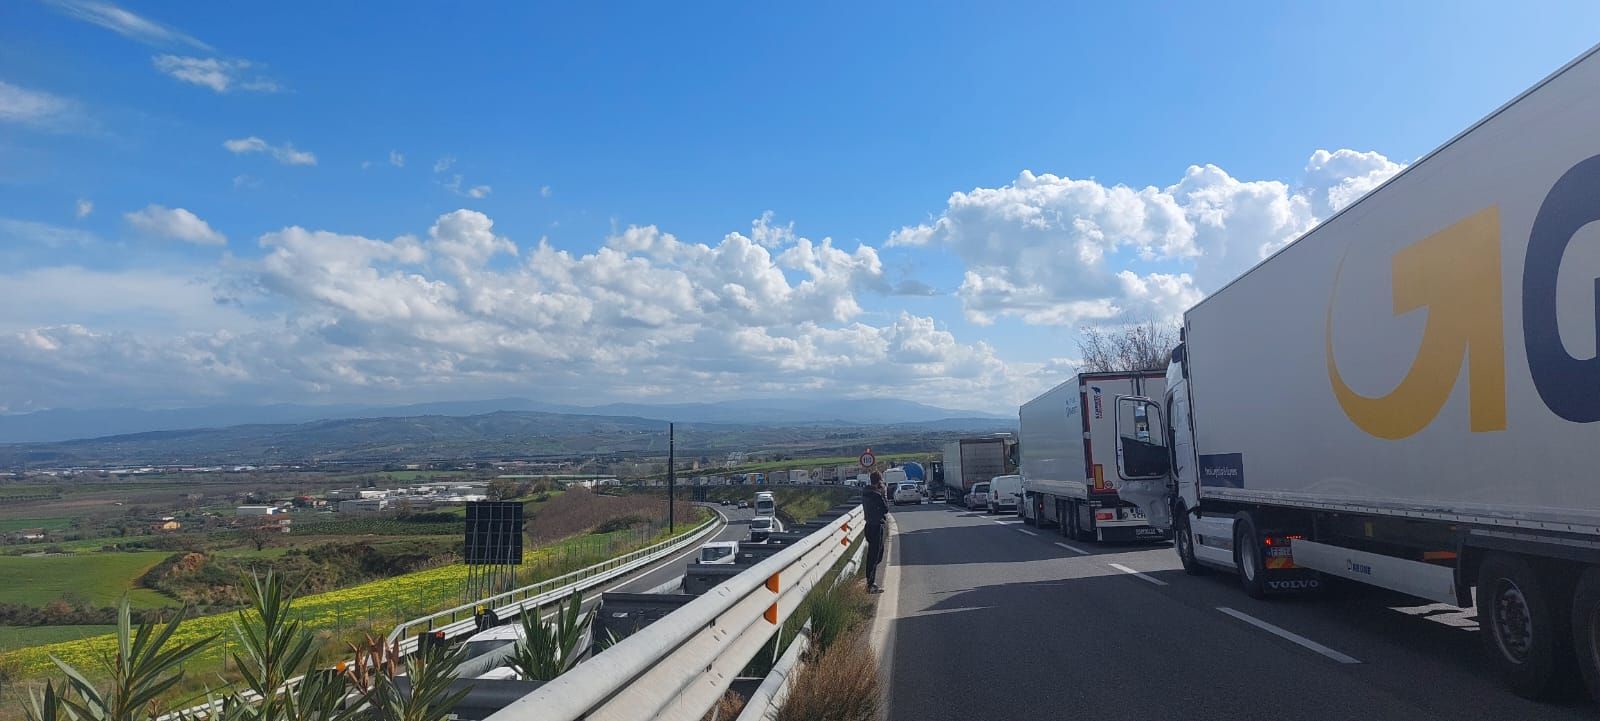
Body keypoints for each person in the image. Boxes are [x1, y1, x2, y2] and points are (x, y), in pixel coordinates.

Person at [862, 470, 890, 593]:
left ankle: (869, 581)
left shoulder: (865, 492)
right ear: (879, 481)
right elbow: (886, 509)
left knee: (872, 555)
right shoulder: (877, 494)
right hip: (877, 526)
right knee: (876, 556)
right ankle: (870, 584)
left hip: (868, 525)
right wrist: (883, 494)